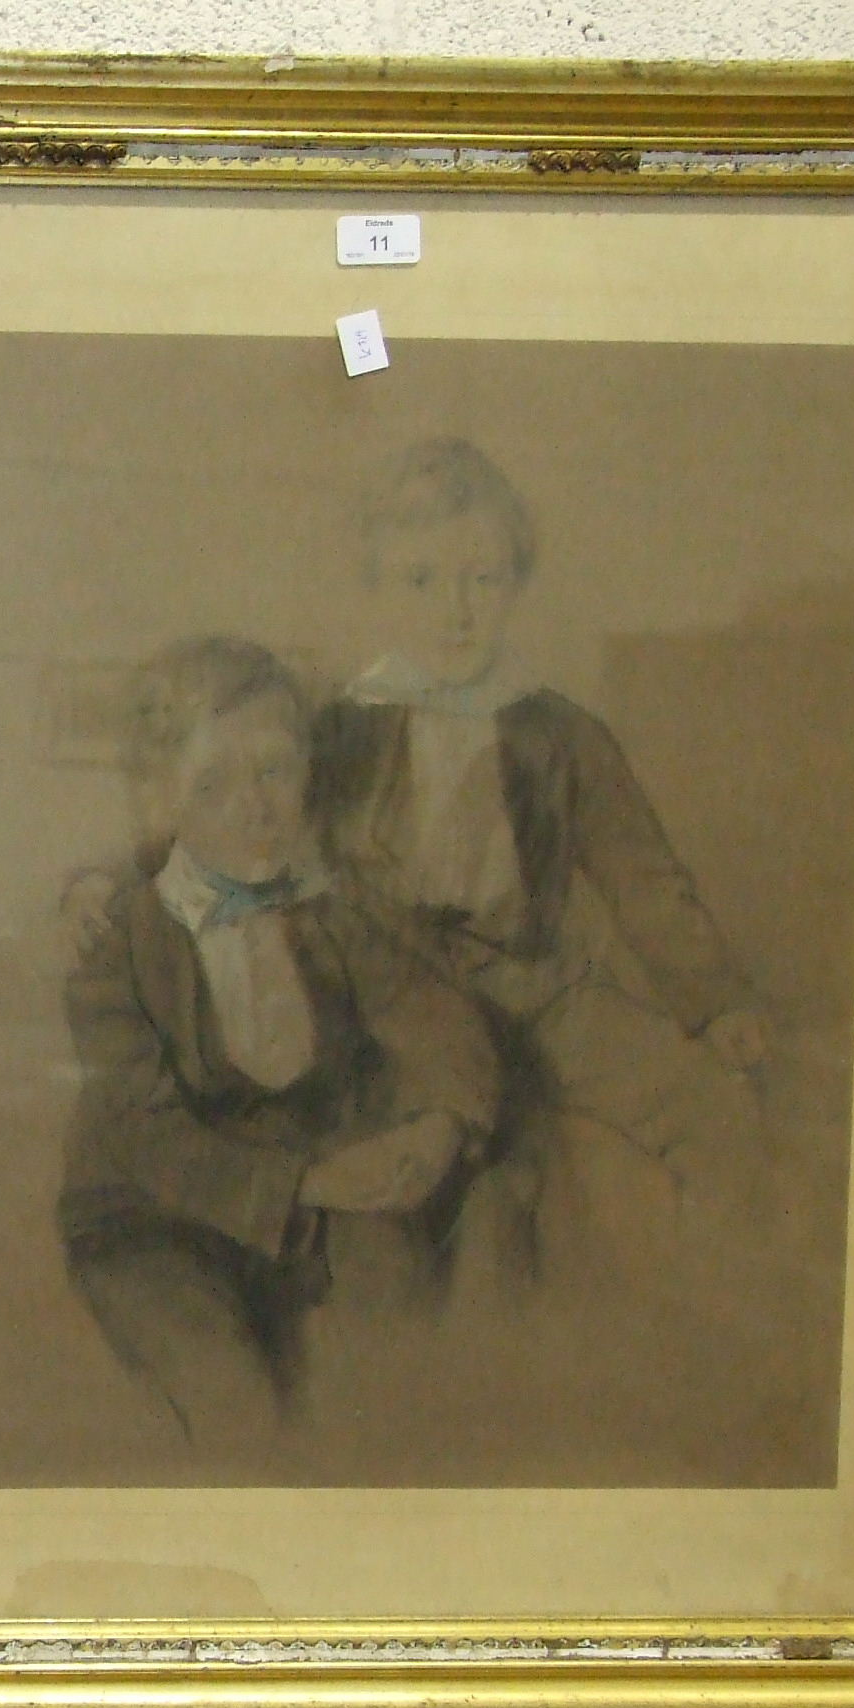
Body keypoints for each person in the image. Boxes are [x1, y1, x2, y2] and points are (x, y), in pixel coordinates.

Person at [309, 437, 770, 1228]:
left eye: (481, 579)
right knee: (436, 1184)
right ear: (376, 587)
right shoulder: (339, 732)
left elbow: (643, 878)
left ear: (515, 583)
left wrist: (715, 998)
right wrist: (109, 889)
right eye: (421, 581)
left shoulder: (558, 732)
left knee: (715, 1109)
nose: (455, 611)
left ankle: (705, 1313)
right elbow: (235, 832)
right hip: (397, 1000)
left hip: (544, 995)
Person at [58, 635, 500, 1430]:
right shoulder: (120, 942)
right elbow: (146, 1138)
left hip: (318, 1195)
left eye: (276, 768)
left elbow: (438, 1022)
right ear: (163, 798)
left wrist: (438, 1127)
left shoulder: (337, 907)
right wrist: (305, 1184)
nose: (256, 805)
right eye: (214, 783)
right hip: (157, 1217)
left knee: (392, 1369)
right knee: (236, 1404)